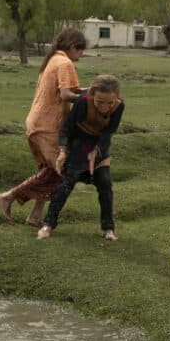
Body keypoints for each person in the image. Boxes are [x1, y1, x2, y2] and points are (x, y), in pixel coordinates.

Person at [0, 28, 86, 226]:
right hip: (49, 126)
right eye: (80, 52)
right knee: (61, 169)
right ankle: (8, 196)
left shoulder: (53, 60)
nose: (80, 57)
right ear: (73, 47)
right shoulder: (65, 63)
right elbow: (66, 95)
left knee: (50, 171)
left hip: (36, 122)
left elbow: (69, 90)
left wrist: (91, 90)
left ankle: (35, 214)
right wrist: (90, 99)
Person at [37, 75, 124, 241]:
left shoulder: (119, 106)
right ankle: (48, 225)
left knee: (105, 183)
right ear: (92, 95)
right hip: (78, 146)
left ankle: (108, 229)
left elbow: (108, 132)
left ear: (117, 98)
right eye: (100, 102)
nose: (105, 107)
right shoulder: (82, 102)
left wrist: (96, 151)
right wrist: (62, 151)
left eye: (109, 103)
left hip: (99, 148)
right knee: (65, 184)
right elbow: (66, 129)